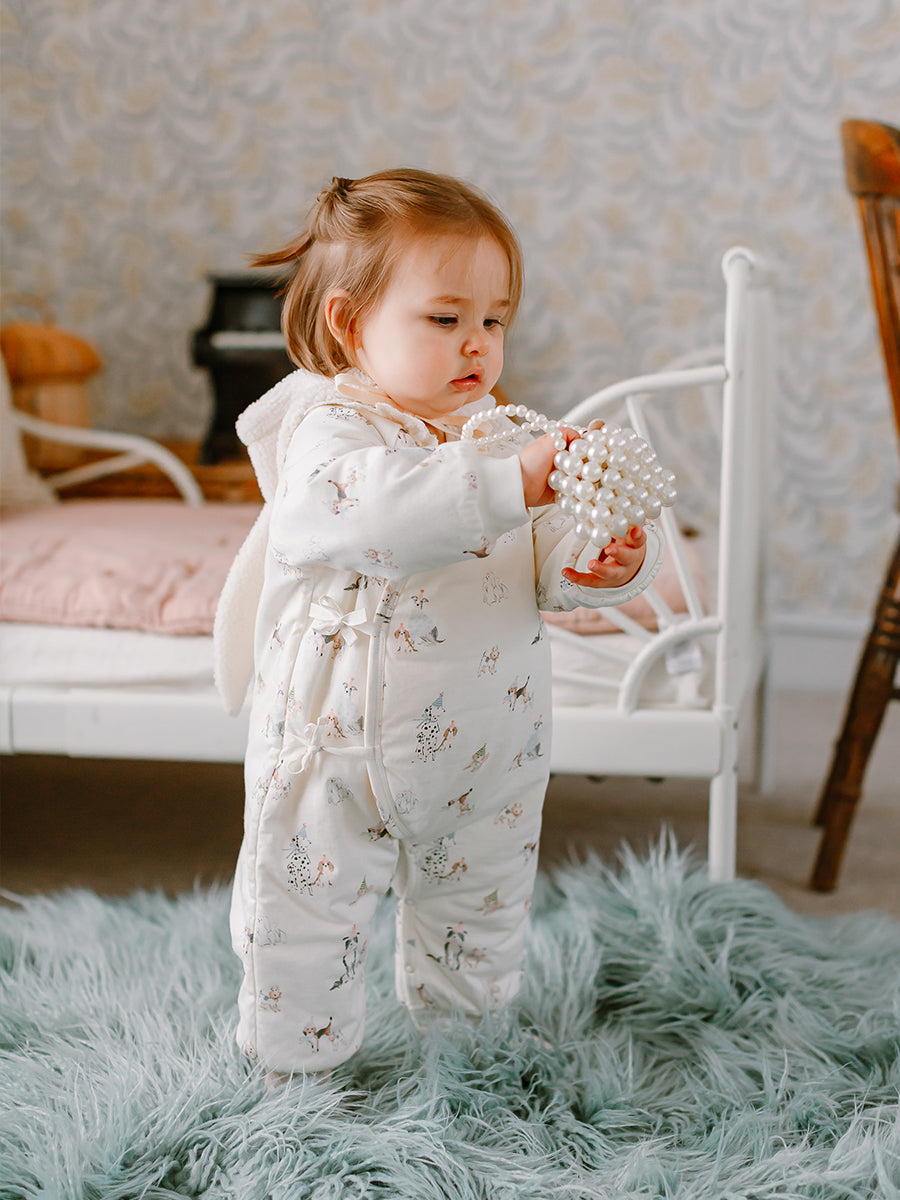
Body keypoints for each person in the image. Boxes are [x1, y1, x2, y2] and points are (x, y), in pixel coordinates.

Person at [214, 168, 662, 1078]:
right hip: (335, 753)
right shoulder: (330, 430)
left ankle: (466, 1049)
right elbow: (373, 512)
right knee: (302, 915)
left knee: (481, 909)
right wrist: (508, 483)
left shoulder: (499, 436)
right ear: (351, 325)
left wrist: (598, 559)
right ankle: (296, 1069)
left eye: (494, 321)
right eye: (446, 317)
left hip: (488, 749)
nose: (477, 345)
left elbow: (537, 557)